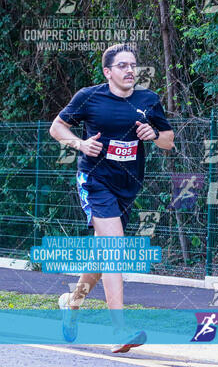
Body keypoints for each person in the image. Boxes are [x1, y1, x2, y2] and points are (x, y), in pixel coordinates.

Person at [49, 43, 175, 352]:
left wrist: (154, 135)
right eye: (122, 65)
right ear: (108, 72)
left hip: (127, 187)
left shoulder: (148, 100)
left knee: (103, 256)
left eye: (133, 65)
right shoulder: (90, 97)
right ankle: (119, 329)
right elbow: (57, 127)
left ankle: (72, 301)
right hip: (95, 180)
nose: (130, 70)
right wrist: (79, 144)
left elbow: (169, 141)